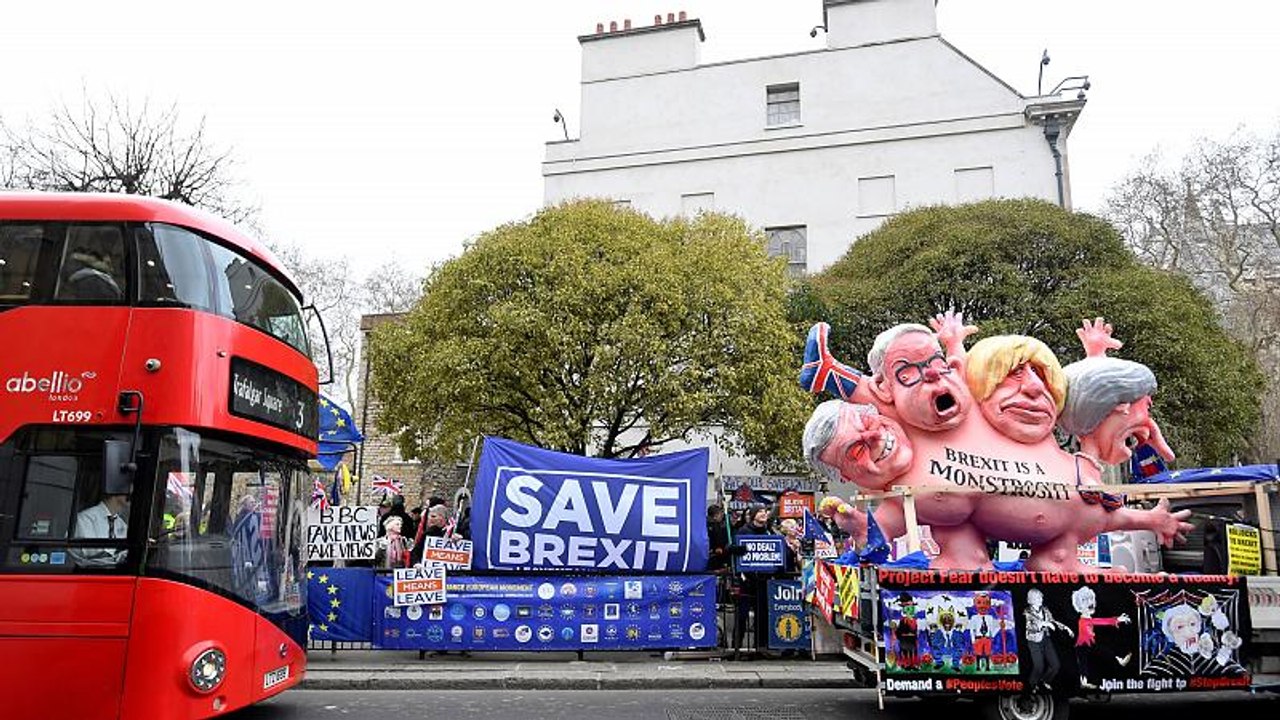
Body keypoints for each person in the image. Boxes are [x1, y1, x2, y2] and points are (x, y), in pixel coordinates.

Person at [1024, 588, 1073, 691]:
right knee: (1039, 667)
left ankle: (1045, 681)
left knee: (1055, 665)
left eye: (1041, 597)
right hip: (1034, 641)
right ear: (1032, 599)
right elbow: (1029, 627)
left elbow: (1052, 621)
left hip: (1046, 639)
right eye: (1039, 597)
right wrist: (1043, 624)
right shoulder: (1027, 612)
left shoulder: (1045, 610)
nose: (1041, 599)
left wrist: (1065, 628)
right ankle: (1032, 686)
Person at [73, 493, 129, 566]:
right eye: (128, 491)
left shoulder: (122, 525)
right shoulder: (85, 519)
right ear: (115, 491)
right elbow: (88, 555)